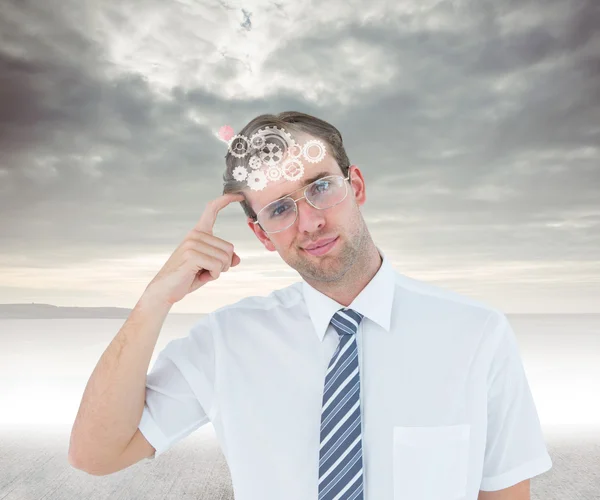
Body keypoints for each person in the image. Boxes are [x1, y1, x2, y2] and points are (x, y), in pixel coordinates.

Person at [68, 111, 553, 499]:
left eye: (320, 187)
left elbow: (504, 491)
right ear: (261, 234)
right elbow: (97, 454)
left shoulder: (476, 334)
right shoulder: (226, 342)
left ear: (356, 186)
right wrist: (155, 300)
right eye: (279, 208)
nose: (310, 222)